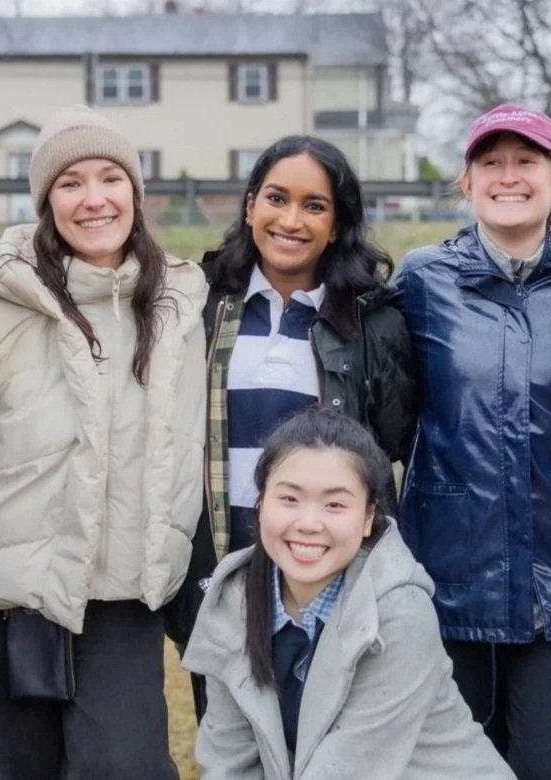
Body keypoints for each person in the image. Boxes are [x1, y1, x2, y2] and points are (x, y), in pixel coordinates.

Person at [0, 104, 207, 779]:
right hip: (8, 596)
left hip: (121, 595)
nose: (94, 199)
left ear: (135, 193)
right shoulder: (1, 309)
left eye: (110, 178)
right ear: (45, 201)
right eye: (70, 182)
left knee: (126, 765)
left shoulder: (179, 307)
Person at [390, 103, 551, 780]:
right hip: (448, 581)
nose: (509, 176)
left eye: (528, 161)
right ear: (465, 182)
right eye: (491, 162)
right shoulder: (422, 280)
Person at [170, 135, 416, 698]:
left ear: (338, 223)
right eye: (277, 198)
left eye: (314, 206)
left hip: (329, 572)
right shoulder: (197, 306)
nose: (291, 220)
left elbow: (392, 444)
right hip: (221, 573)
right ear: (251, 204)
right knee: (232, 742)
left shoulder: (373, 323)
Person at [184, 406, 515, 780]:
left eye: (335, 505)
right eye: (289, 499)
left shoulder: (399, 610)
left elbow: (347, 771)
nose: (308, 523)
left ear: (368, 517)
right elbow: (228, 761)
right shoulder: (233, 601)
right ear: (261, 504)